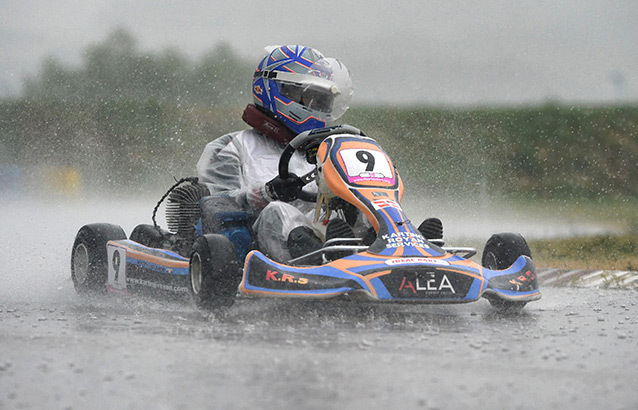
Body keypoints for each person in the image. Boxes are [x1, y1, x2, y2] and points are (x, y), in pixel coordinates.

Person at [196, 45, 355, 263]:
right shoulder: (231, 146)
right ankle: (320, 263)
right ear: (276, 89)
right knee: (278, 211)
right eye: (308, 97)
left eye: (322, 100)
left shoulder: (324, 151)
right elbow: (214, 205)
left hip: (320, 232)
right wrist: (267, 192)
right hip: (257, 246)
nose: (316, 106)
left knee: (357, 211)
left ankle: (401, 251)